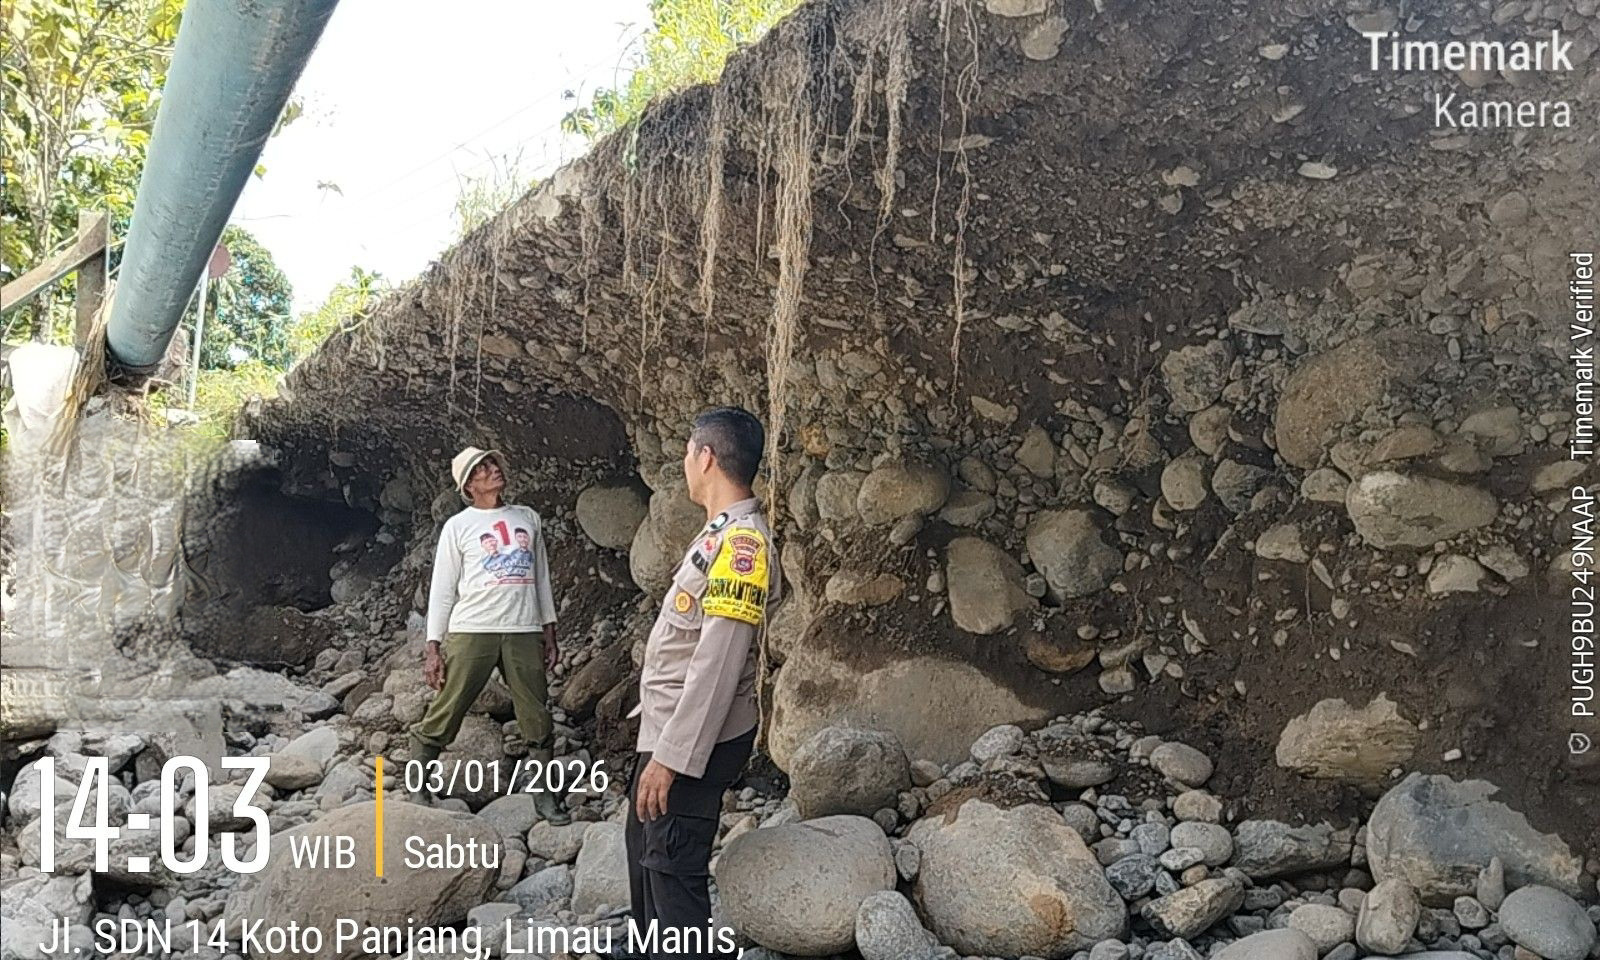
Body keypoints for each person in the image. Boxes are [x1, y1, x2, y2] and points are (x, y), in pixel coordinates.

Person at [624, 407, 780, 954]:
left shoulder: (743, 547)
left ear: (706, 457)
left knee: (672, 865)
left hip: (694, 737)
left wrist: (671, 758)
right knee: (643, 846)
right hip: (668, 728)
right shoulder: (717, 534)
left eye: (689, 453)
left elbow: (718, 664)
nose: (686, 463)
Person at [408, 446, 568, 824]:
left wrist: (549, 628)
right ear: (468, 487)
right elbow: (443, 588)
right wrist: (433, 646)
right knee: (452, 703)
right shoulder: (458, 527)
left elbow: (541, 576)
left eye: (491, 463)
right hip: (472, 629)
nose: (492, 470)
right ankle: (419, 779)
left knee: (536, 711)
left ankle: (545, 795)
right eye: (481, 469)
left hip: (523, 628)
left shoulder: (527, 518)